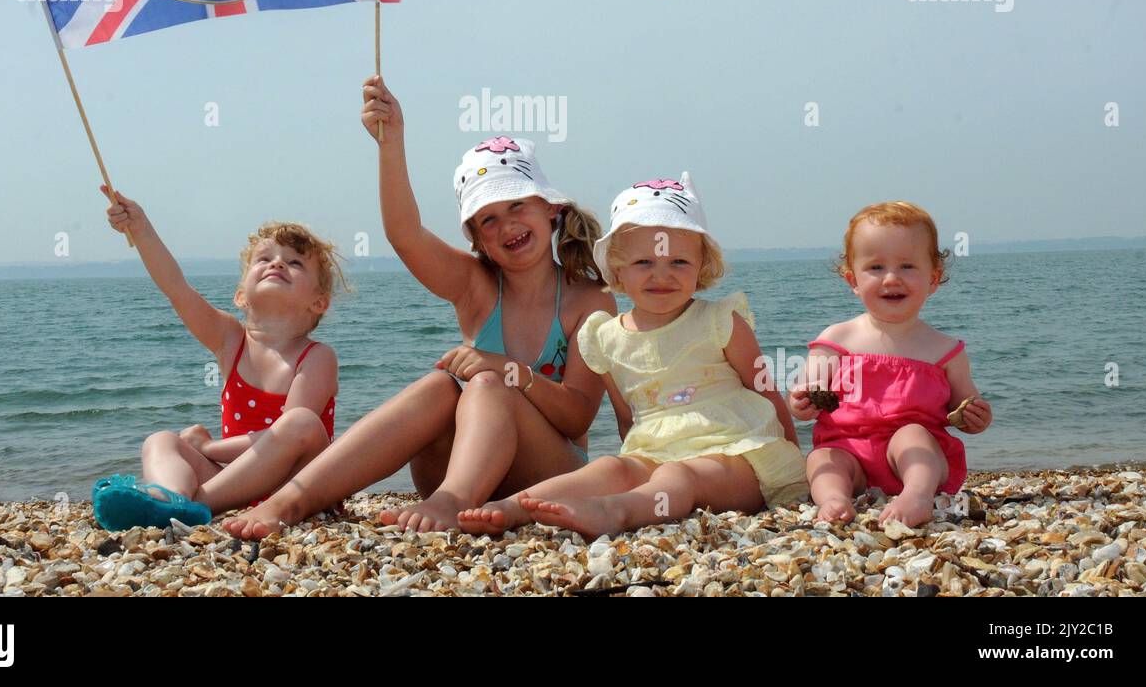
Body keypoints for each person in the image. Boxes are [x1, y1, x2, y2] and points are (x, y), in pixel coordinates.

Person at [219, 79, 616, 537]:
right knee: (441, 385)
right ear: (477, 237)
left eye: (517, 205)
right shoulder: (476, 286)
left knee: (487, 383)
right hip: (450, 469)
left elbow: (578, 417)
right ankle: (292, 499)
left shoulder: (590, 300)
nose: (507, 225)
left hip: (543, 478)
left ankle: (453, 503)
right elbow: (405, 236)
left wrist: (508, 370)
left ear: (550, 209)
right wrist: (392, 142)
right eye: (489, 218)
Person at [459, 174, 808, 540]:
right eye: (644, 262)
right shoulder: (607, 337)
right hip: (655, 453)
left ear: (701, 265)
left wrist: (790, 465)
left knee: (678, 477)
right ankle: (515, 507)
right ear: (618, 270)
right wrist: (631, 467)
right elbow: (628, 420)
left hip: (737, 460)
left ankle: (615, 511)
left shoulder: (720, 321)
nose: (662, 275)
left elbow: (764, 391)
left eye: (678, 262)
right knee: (612, 467)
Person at [90, 188, 343, 530]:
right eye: (264, 259)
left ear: (319, 303)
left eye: (295, 262)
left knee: (301, 422)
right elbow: (177, 289)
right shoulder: (231, 340)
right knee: (161, 440)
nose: (278, 263)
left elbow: (289, 439)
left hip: (300, 488)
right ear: (241, 296)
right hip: (236, 487)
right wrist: (141, 230)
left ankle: (195, 505)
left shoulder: (317, 357)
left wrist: (209, 447)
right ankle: (168, 500)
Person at [790, 202, 992, 528]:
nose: (891, 278)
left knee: (912, 434)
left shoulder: (945, 350)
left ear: (934, 279)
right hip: (848, 449)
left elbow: (965, 406)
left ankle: (917, 495)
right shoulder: (836, 339)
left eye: (908, 266)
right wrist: (802, 401)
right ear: (852, 280)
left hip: (914, 457)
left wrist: (975, 417)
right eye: (876, 267)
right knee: (822, 459)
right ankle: (833, 499)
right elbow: (806, 394)